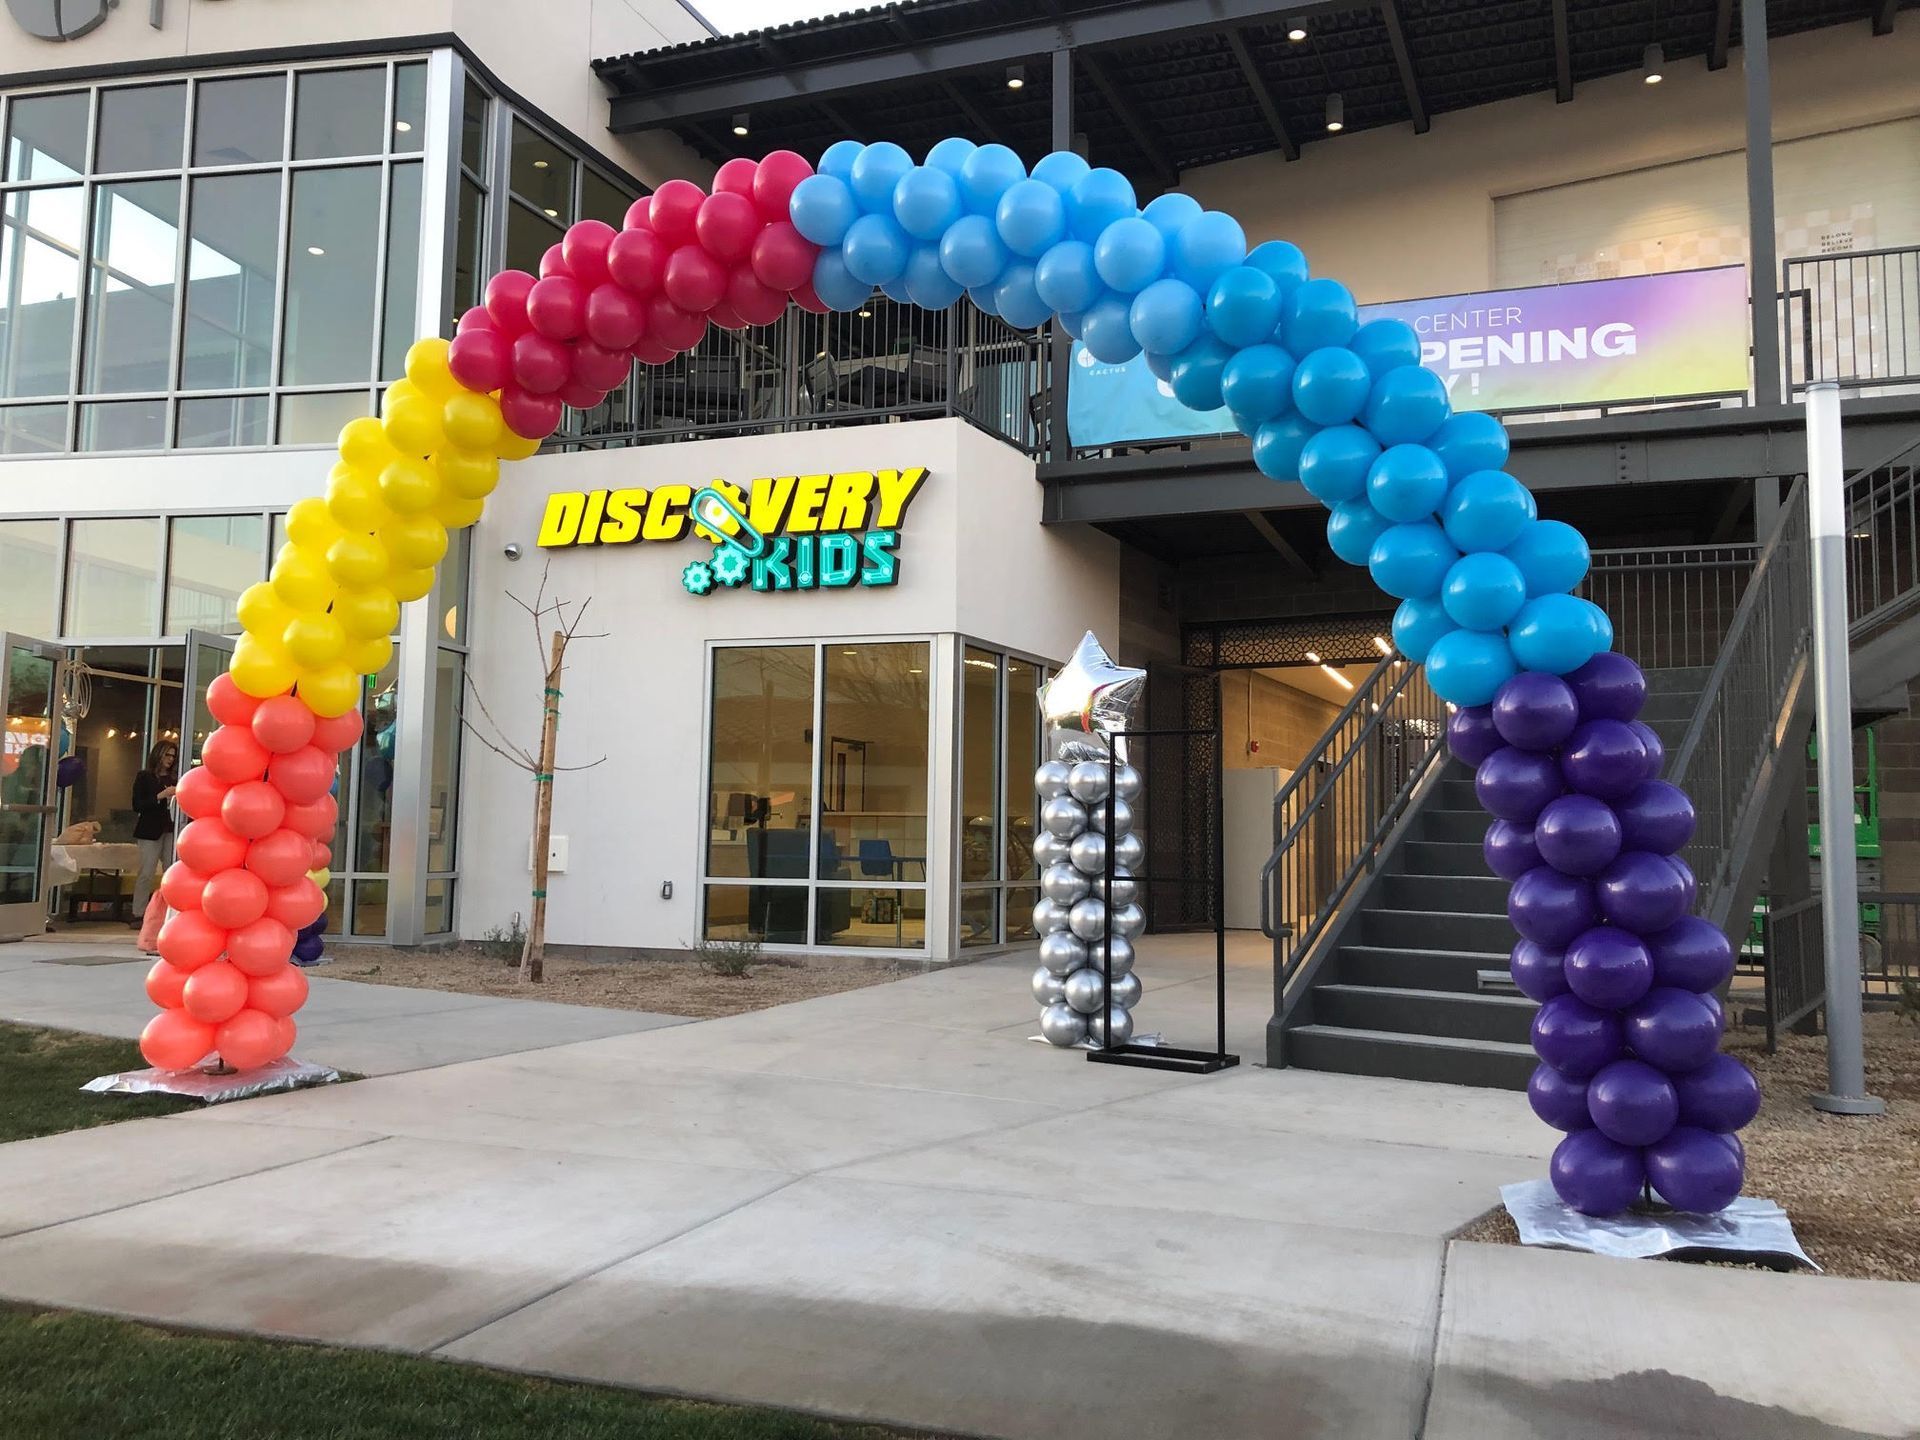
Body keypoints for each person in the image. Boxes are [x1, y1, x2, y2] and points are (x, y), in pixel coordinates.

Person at [129, 739, 178, 925]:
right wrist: (161, 796)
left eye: (173, 756)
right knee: (146, 872)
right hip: (150, 830)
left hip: (171, 828)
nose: (170, 759)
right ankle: (138, 912)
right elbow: (137, 805)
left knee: (170, 872)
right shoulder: (145, 777)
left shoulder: (175, 778)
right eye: (167, 755)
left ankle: (167, 911)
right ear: (158, 754)